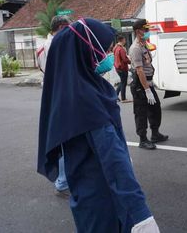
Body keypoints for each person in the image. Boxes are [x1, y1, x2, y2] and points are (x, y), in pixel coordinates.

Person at [37, 18, 160, 233]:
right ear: (87, 53)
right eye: (102, 51)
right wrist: (140, 216)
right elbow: (114, 163)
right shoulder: (86, 99)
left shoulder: (74, 89)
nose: (105, 56)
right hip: (103, 201)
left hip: (85, 195)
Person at [36, 15, 72, 198]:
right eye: (67, 28)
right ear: (60, 27)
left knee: (61, 139)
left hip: (51, 95)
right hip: (62, 95)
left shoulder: (42, 46)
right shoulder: (57, 45)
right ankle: (62, 182)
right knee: (66, 140)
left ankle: (64, 180)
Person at [129, 19, 168, 150]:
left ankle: (155, 134)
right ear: (138, 31)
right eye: (145, 30)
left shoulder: (143, 44)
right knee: (141, 112)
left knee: (155, 108)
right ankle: (143, 139)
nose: (147, 32)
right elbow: (140, 71)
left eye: (147, 29)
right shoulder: (135, 48)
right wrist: (147, 90)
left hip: (148, 83)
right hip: (141, 85)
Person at [114, 35, 132, 102]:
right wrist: (131, 62)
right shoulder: (121, 49)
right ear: (122, 40)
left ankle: (115, 95)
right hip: (122, 68)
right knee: (123, 83)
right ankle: (123, 98)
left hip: (118, 67)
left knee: (122, 82)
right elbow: (124, 59)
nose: (125, 41)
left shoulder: (116, 47)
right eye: (124, 40)